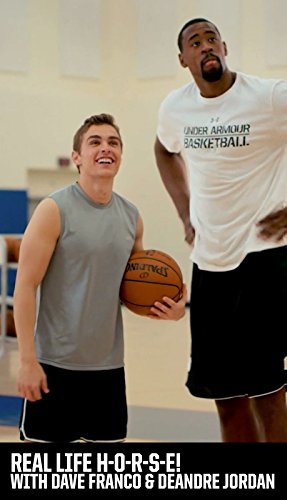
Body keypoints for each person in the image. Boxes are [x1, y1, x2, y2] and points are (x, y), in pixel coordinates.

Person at [154, 18, 287, 442]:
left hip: (267, 263)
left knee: (269, 397)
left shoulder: (270, 97)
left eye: (212, 38)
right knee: (227, 399)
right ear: (183, 59)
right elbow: (164, 149)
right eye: (195, 42)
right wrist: (185, 212)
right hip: (210, 267)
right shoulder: (174, 108)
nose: (206, 46)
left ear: (225, 46)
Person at [14, 113, 187, 443]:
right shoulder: (53, 209)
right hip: (53, 366)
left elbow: (131, 289)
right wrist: (26, 361)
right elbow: (25, 285)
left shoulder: (131, 218)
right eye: (95, 142)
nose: (106, 148)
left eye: (114, 142)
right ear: (77, 157)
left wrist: (171, 308)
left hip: (107, 370)